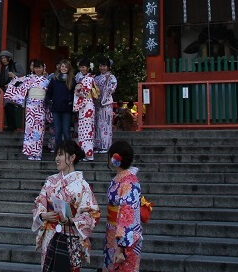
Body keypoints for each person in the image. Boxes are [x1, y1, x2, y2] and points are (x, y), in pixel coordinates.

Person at [32, 140, 100, 271]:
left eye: (61, 155)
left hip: (70, 236)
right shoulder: (50, 181)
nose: (57, 158)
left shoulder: (82, 185)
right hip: (50, 235)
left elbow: (93, 214)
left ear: (72, 157)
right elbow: (39, 202)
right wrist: (43, 215)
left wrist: (71, 220)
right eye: (56, 155)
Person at [103, 140, 142, 272]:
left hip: (125, 238)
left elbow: (127, 215)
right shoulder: (121, 179)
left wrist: (121, 247)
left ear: (115, 159)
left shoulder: (129, 182)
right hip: (113, 233)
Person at [8, 59, 49, 160]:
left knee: (39, 129)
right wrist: (14, 78)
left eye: (40, 67)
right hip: (31, 106)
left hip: (41, 106)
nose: (38, 69)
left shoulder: (47, 81)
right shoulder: (28, 79)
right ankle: (30, 152)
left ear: (43, 68)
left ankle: (38, 152)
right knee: (29, 129)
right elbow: (19, 85)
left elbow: (50, 95)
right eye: (36, 67)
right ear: (33, 69)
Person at [46, 59, 76, 149]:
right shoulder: (54, 79)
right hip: (56, 108)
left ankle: (68, 150)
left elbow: (75, 94)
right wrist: (49, 101)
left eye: (66, 67)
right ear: (59, 67)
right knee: (57, 131)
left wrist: (71, 100)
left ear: (69, 68)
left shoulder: (72, 80)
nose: (63, 68)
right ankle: (58, 151)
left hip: (67, 108)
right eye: (62, 66)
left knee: (66, 131)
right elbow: (49, 93)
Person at [73, 58, 96, 161]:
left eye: (84, 67)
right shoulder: (84, 78)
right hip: (85, 106)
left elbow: (84, 93)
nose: (82, 69)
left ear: (88, 68)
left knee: (87, 131)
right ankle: (84, 153)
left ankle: (88, 154)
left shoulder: (89, 78)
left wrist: (77, 91)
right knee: (83, 130)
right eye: (81, 67)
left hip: (87, 105)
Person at [94, 57, 117, 153]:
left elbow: (112, 89)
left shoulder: (111, 77)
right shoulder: (96, 77)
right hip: (97, 104)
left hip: (106, 104)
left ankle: (106, 146)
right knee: (97, 125)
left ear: (108, 67)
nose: (102, 68)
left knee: (105, 125)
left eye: (104, 66)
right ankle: (98, 145)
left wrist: (107, 82)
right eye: (100, 66)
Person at [0, 50, 25, 131]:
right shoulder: (3, 67)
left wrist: (14, 75)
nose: (3, 59)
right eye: (2, 58)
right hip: (5, 89)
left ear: (9, 58)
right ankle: (10, 125)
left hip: (14, 89)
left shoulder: (15, 65)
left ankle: (12, 126)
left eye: (5, 58)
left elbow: (23, 75)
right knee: (7, 107)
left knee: (9, 106)